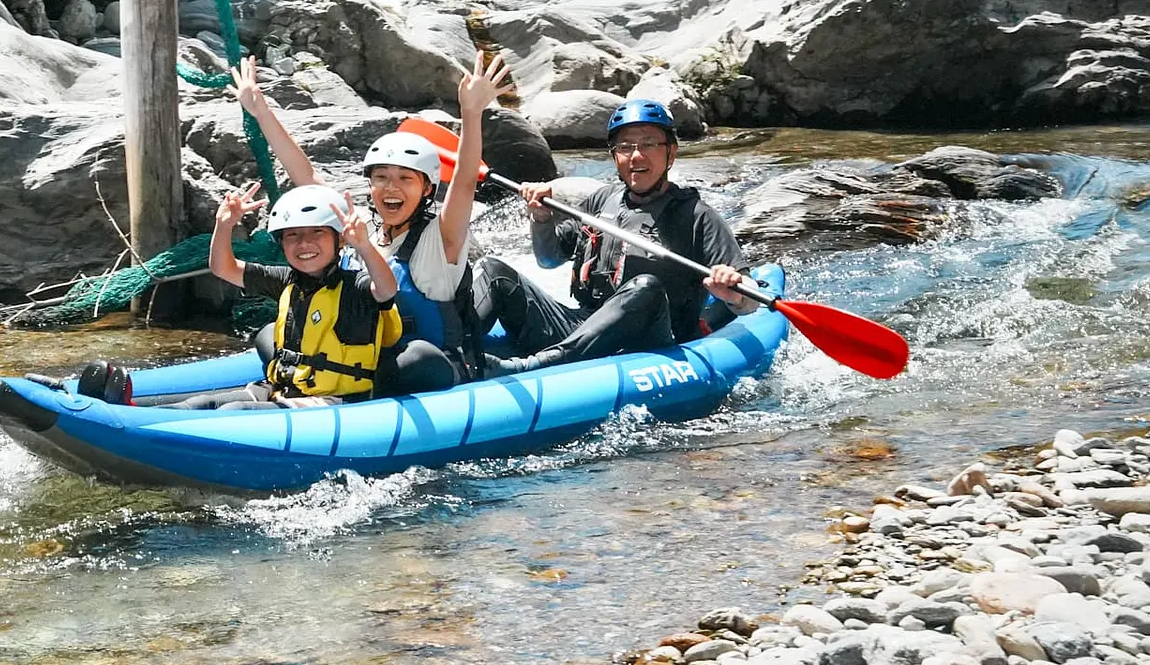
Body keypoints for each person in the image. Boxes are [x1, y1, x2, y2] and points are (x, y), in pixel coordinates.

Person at [231, 50, 512, 390]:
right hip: (360, 362)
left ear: (427, 189)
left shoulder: (442, 239)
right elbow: (305, 175)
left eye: (405, 179)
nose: (391, 187)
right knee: (268, 337)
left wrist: (471, 112)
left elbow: (465, 181)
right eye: (381, 177)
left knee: (415, 357)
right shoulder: (358, 227)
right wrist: (260, 111)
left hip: (425, 369)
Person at [472, 98, 758, 377]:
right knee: (493, 271)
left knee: (646, 287)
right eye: (625, 147)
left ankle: (536, 367)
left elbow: (749, 300)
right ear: (614, 156)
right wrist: (541, 218)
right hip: (584, 327)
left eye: (649, 144)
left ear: (671, 153)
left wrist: (732, 293)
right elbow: (548, 260)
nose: (636, 156)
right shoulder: (601, 201)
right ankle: (454, 353)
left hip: (649, 342)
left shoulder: (696, 215)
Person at [170, 181, 424, 409]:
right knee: (198, 405)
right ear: (282, 243)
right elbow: (223, 268)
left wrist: (364, 246)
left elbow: (386, 289)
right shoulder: (285, 280)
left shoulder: (356, 286)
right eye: (293, 235)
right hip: (284, 389)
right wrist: (224, 225)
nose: (304, 243)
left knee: (234, 412)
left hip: (333, 400)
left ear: (340, 240)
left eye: (317, 232)